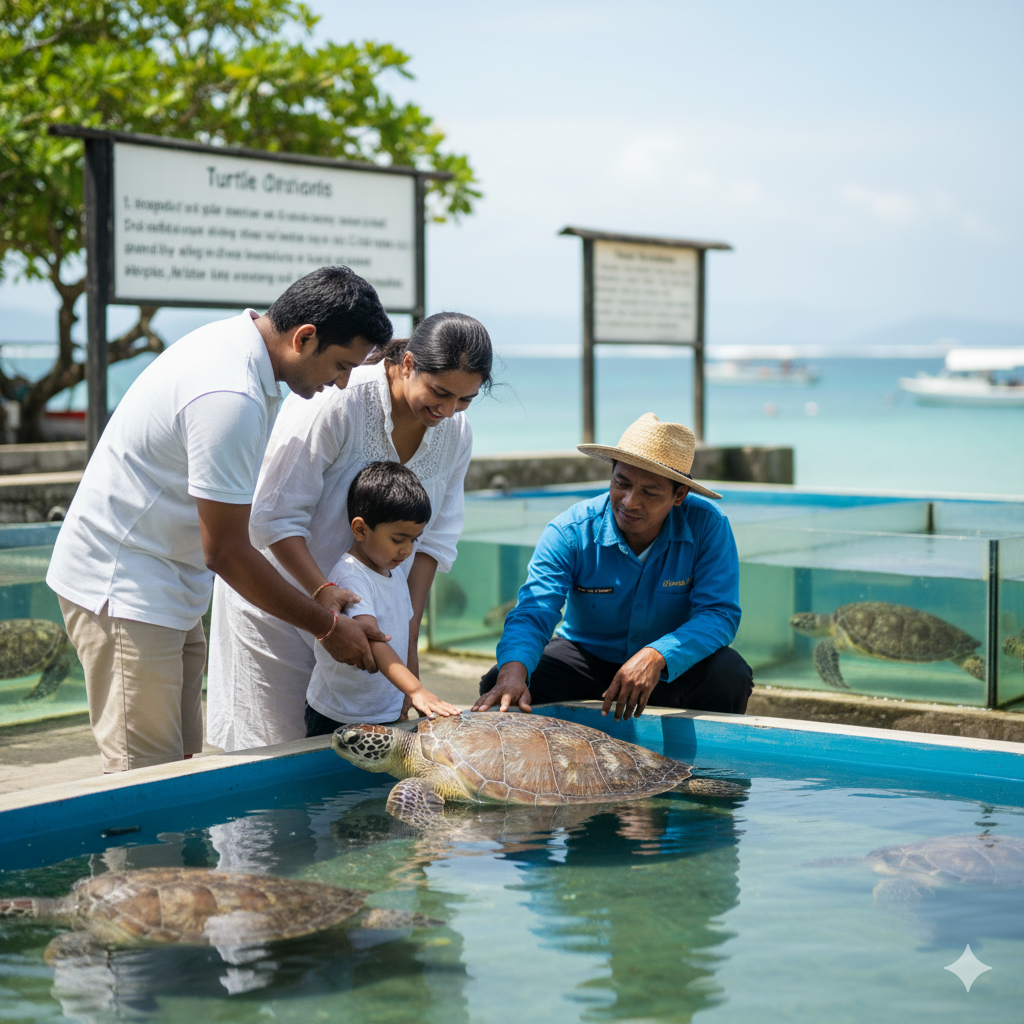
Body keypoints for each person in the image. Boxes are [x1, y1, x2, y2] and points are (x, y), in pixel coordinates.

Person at [46, 266, 393, 772]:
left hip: (169, 587)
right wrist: (328, 627)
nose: (342, 384)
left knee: (179, 766)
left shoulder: (241, 348)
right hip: (124, 589)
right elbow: (226, 551)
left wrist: (321, 598)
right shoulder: (231, 396)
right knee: (143, 781)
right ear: (305, 337)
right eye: (341, 365)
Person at [207, 311, 491, 751]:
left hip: (369, 626)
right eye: (440, 393)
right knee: (275, 755)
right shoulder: (338, 401)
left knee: (354, 758)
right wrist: (322, 602)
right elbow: (273, 517)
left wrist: (408, 643)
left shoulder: (455, 431)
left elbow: (433, 541)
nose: (448, 410)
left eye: (465, 400)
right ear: (409, 363)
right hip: (282, 604)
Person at [472, 412, 752, 721]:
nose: (630, 501)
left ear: (680, 495)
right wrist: (513, 673)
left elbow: (719, 614)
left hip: (666, 669)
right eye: (622, 483)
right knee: (501, 683)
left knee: (730, 675)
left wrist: (658, 655)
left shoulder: (709, 525)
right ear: (611, 475)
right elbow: (534, 612)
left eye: (650, 491)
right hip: (584, 662)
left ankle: (703, 768)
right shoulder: (569, 531)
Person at [304, 462, 461, 734]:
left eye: (414, 539)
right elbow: (372, 640)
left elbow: (406, 632)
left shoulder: (392, 569)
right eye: (399, 539)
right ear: (361, 529)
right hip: (340, 714)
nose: (408, 550)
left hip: (383, 710)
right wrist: (416, 690)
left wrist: (409, 688)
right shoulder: (352, 577)